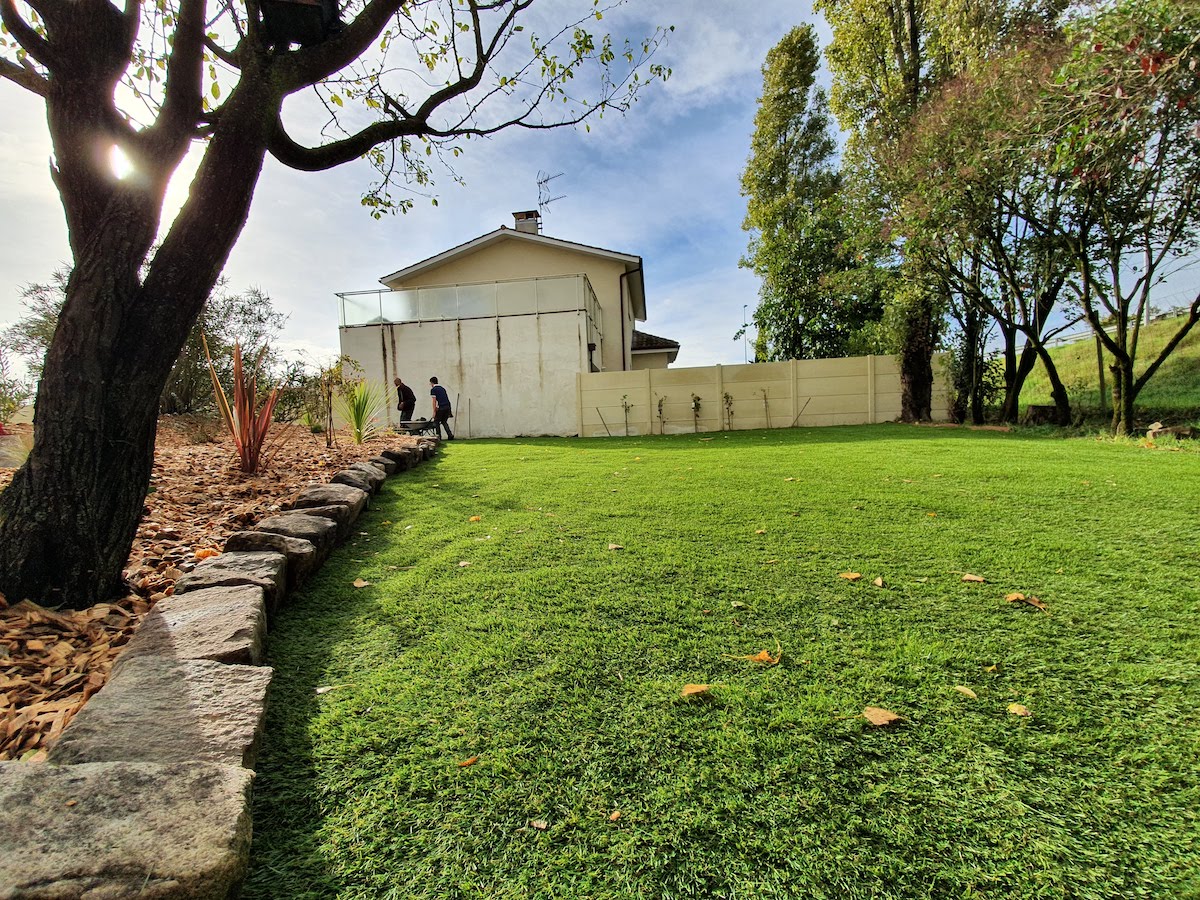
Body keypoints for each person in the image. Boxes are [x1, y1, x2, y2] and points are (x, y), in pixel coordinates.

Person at [429, 376, 454, 440]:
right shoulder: (442, 388)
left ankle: (438, 437)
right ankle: (450, 435)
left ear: (432, 383)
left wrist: (434, 411)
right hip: (447, 406)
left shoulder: (433, 390)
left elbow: (434, 401)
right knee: (444, 421)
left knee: (436, 422)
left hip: (441, 407)